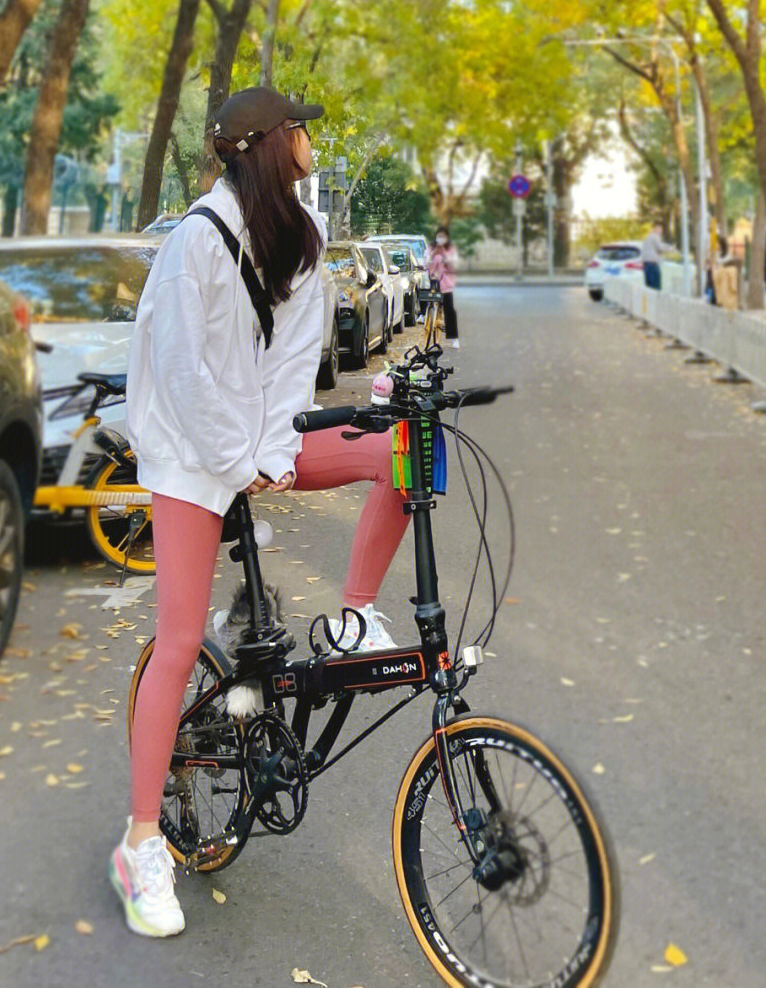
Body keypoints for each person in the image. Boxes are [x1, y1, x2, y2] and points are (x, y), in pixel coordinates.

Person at [110, 86, 411, 938]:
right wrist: (239, 461)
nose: (312, 137)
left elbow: (291, 364)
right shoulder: (193, 246)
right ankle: (140, 845)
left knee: (400, 455)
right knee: (177, 640)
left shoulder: (300, 243)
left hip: (259, 437)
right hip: (189, 453)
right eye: (301, 128)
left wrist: (280, 450)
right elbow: (180, 372)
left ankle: (355, 615)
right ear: (265, 143)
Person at [425, 224, 460, 347]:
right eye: (439, 236)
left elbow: (453, 266)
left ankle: (454, 337)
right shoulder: (430, 248)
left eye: (443, 236)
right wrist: (433, 254)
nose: (441, 239)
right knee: (426, 298)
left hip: (446, 284)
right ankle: (424, 318)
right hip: (433, 282)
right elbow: (426, 265)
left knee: (449, 309)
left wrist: (444, 254)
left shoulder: (451, 249)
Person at [711, 234, 740, 309]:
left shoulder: (728, 256)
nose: (716, 246)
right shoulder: (718, 255)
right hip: (720, 286)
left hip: (726, 285)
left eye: (718, 244)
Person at [640, 220, 669, 291]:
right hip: (652, 264)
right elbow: (660, 248)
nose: (660, 231)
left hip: (646, 264)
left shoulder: (647, 237)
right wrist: (670, 249)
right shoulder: (655, 236)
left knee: (649, 287)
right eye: (660, 229)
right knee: (656, 287)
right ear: (655, 228)